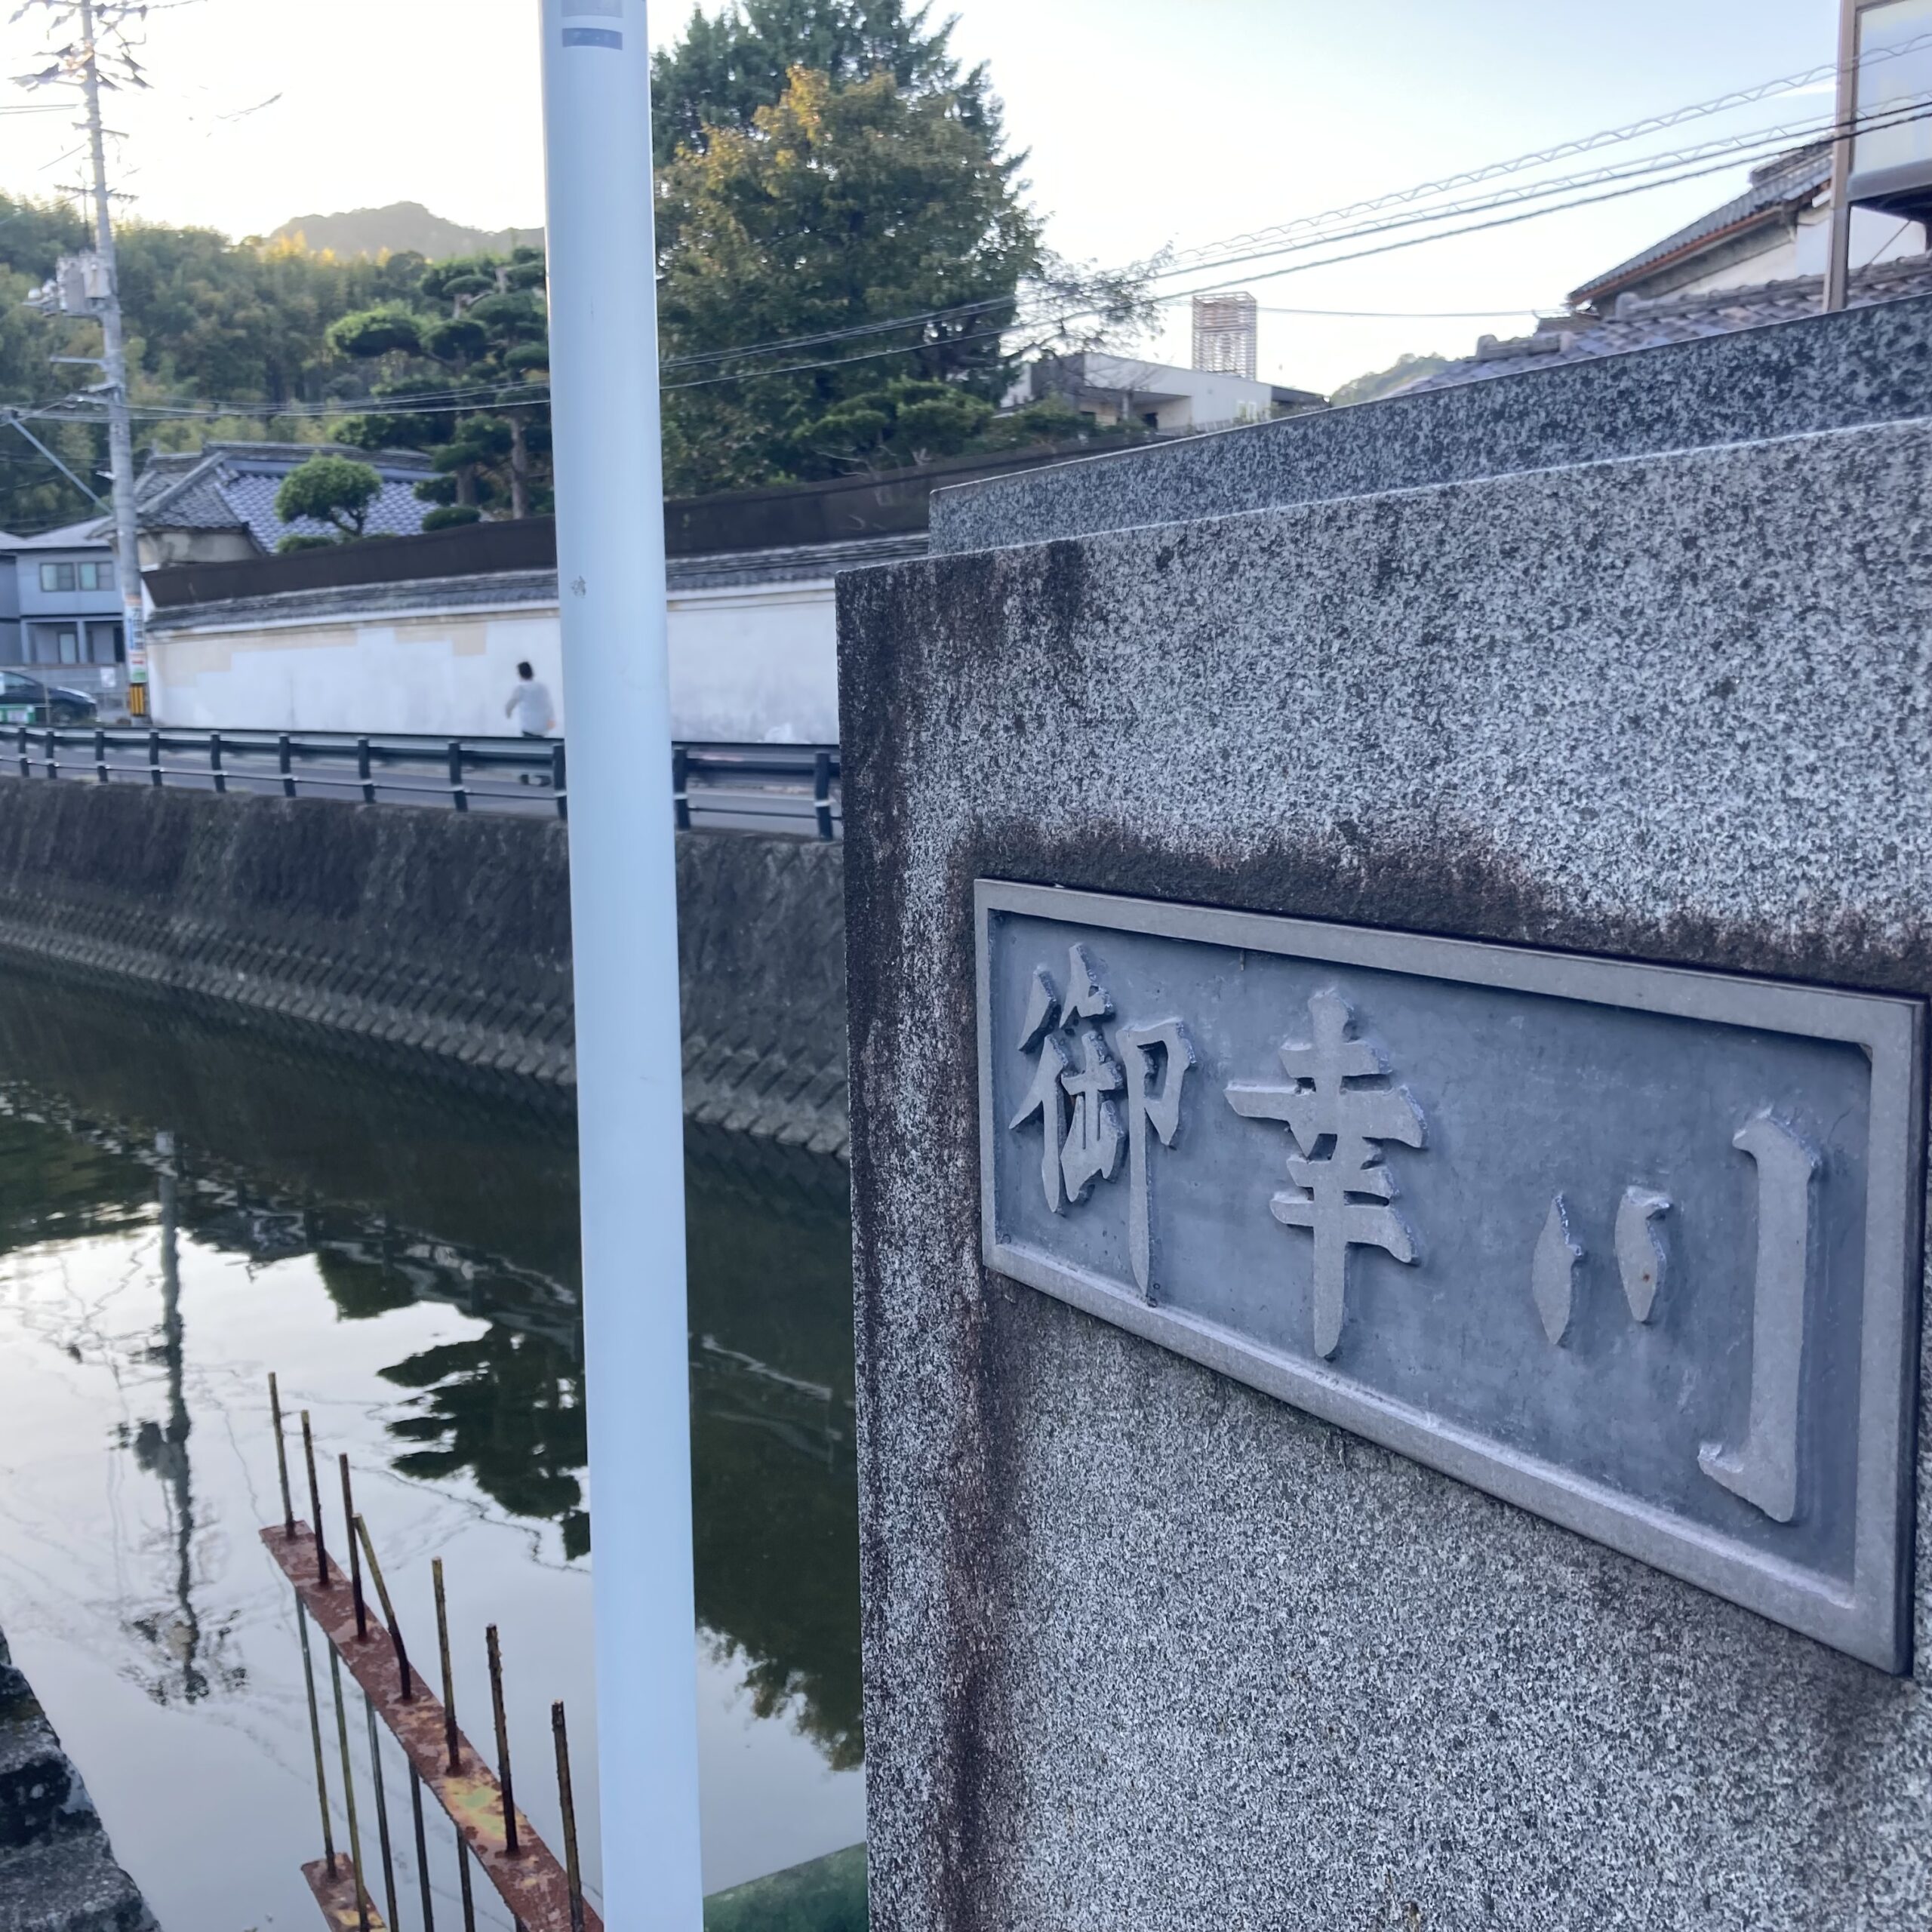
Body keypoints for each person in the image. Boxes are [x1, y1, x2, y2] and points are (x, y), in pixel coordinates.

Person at [505, 660, 555, 784]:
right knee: (540, 751)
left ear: (520, 674)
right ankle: (535, 775)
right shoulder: (542, 687)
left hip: (528, 725)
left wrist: (508, 713)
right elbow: (548, 704)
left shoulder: (521, 688)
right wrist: (551, 720)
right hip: (542, 725)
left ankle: (529, 775)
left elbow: (511, 703)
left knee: (527, 750)